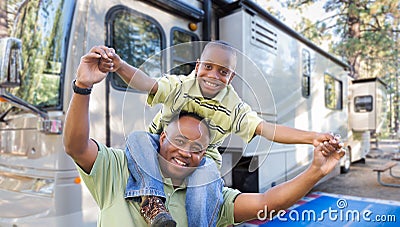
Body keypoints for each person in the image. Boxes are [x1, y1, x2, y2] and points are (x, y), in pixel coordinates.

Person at [63, 47, 345, 226]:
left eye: (223, 72)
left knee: (208, 171)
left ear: (231, 77)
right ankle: (152, 200)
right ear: (197, 66)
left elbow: (268, 133)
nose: (213, 75)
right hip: (147, 150)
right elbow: (146, 84)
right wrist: (114, 68)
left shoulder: (232, 110)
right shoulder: (119, 170)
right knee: (137, 138)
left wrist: (312, 140)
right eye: (208, 67)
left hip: (206, 164)